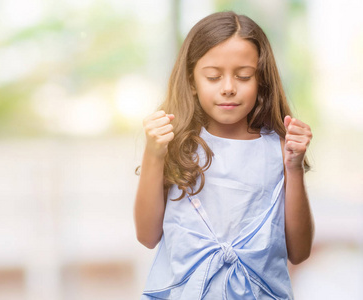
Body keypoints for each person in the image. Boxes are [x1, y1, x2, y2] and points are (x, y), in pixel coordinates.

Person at [134, 11, 314, 299]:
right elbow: (146, 236)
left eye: (243, 76)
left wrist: (294, 168)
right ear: (192, 81)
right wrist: (153, 155)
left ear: (261, 80)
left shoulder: (278, 149)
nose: (228, 88)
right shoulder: (175, 145)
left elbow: (299, 251)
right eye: (213, 77)